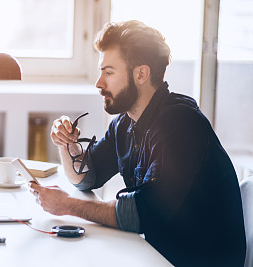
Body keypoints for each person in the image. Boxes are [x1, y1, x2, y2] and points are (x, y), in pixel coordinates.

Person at [29, 20, 246, 266]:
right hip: (157, 253)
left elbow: (142, 213)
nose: (99, 83)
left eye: (109, 72)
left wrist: (66, 205)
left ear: (141, 74)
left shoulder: (180, 124)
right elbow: (87, 178)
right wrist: (66, 145)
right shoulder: (125, 123)